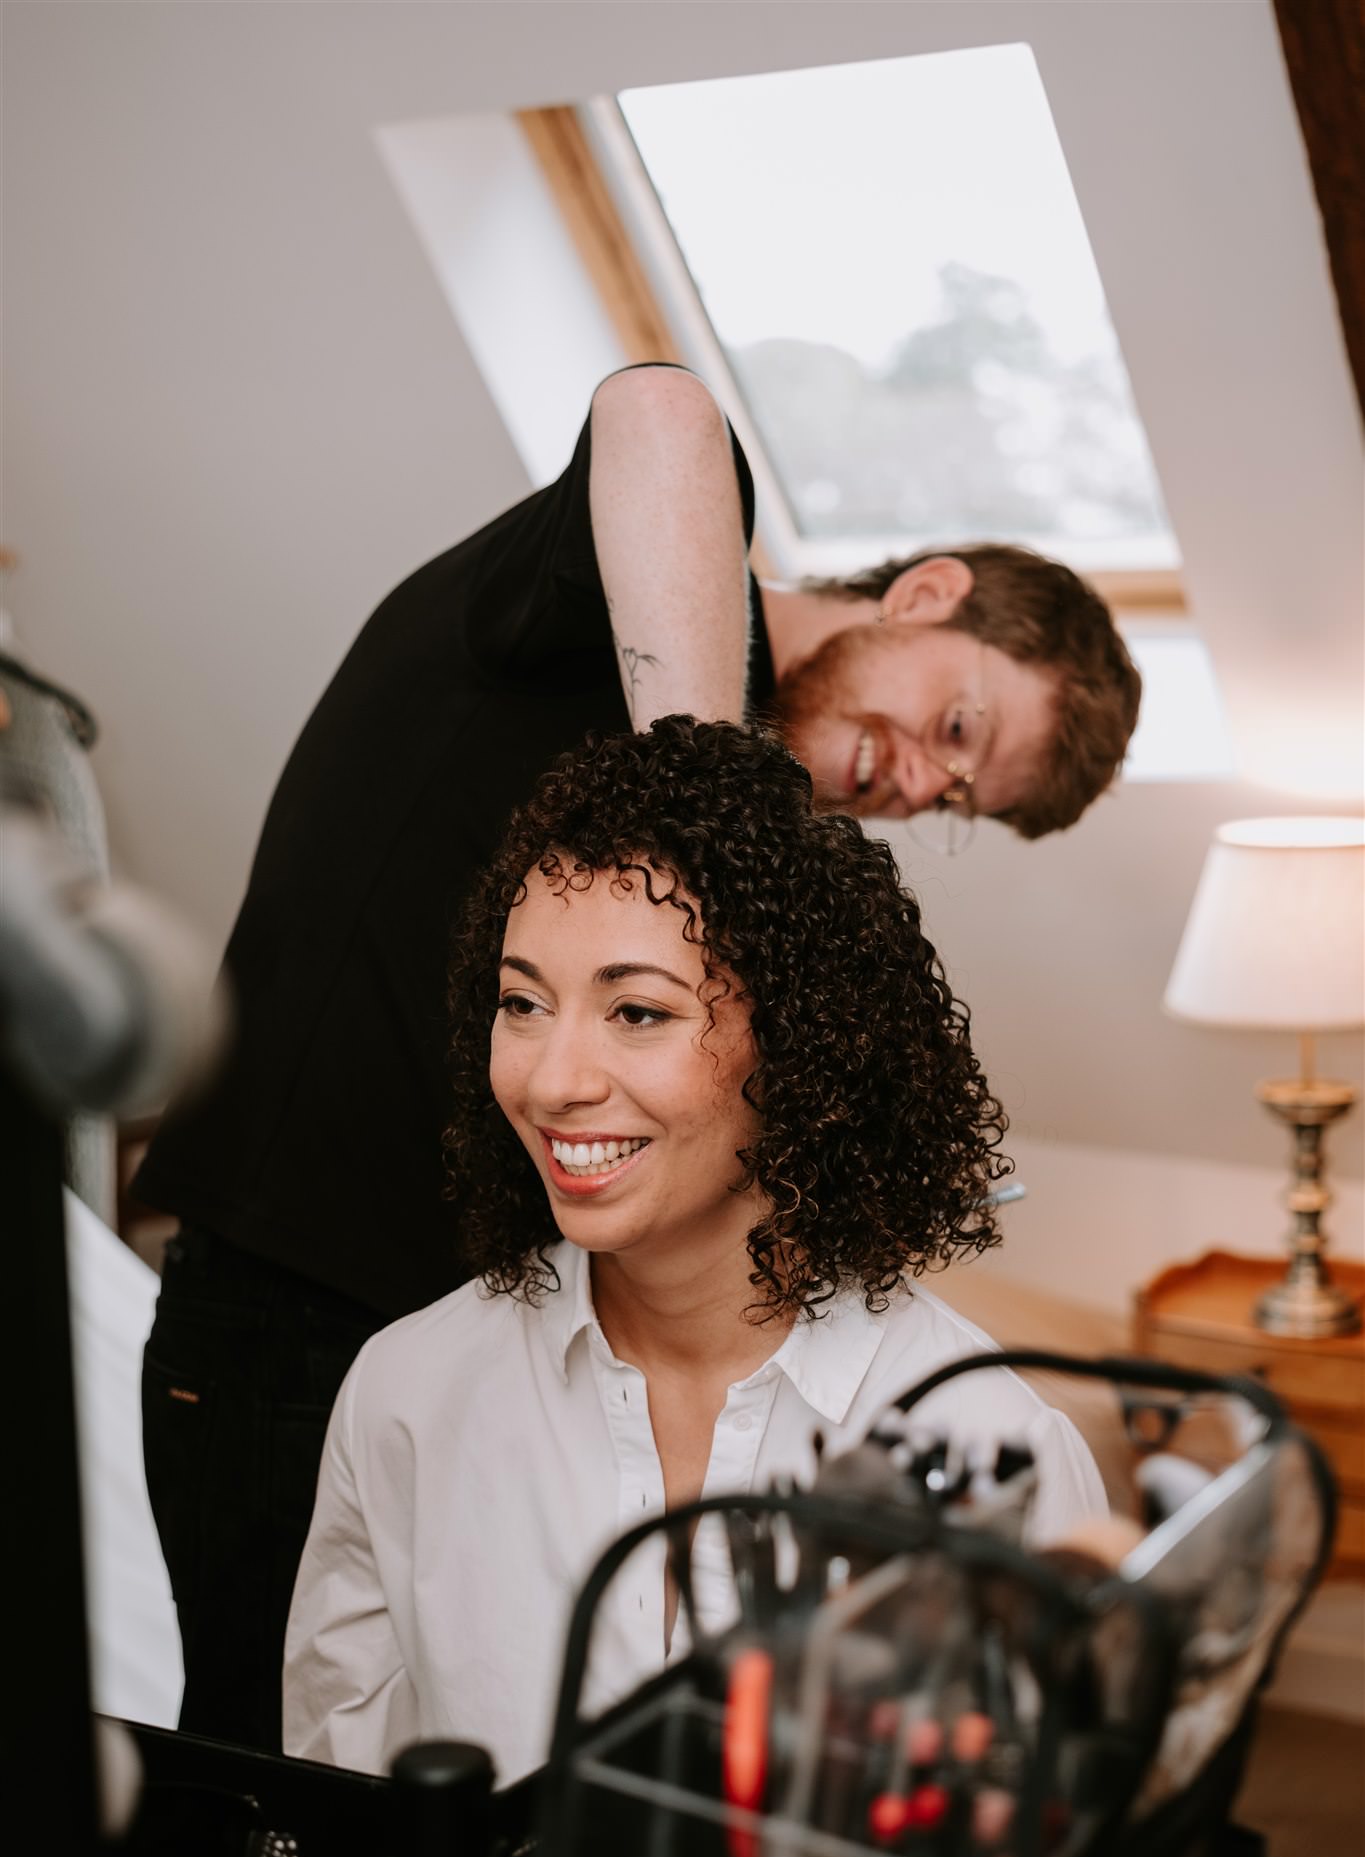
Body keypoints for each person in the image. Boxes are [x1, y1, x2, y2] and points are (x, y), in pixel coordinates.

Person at [135, 365, 1137, 1750]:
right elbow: (659, 409)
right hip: (295, 1294)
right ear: (925, 594)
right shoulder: (612, 605)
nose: (918, 782)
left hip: (508, 1296)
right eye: (958, 727)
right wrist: (699, 791)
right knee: (255, 1806)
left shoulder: (958, 1416)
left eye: (957, 795)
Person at [283, 717, 1106, 1783]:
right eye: (522, 1002)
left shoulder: (985, 1444)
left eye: (636, 1010)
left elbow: (1056, 1856)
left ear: (803, 1042)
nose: (551, 1078)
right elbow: (344, 1808)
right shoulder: (408, 1393)